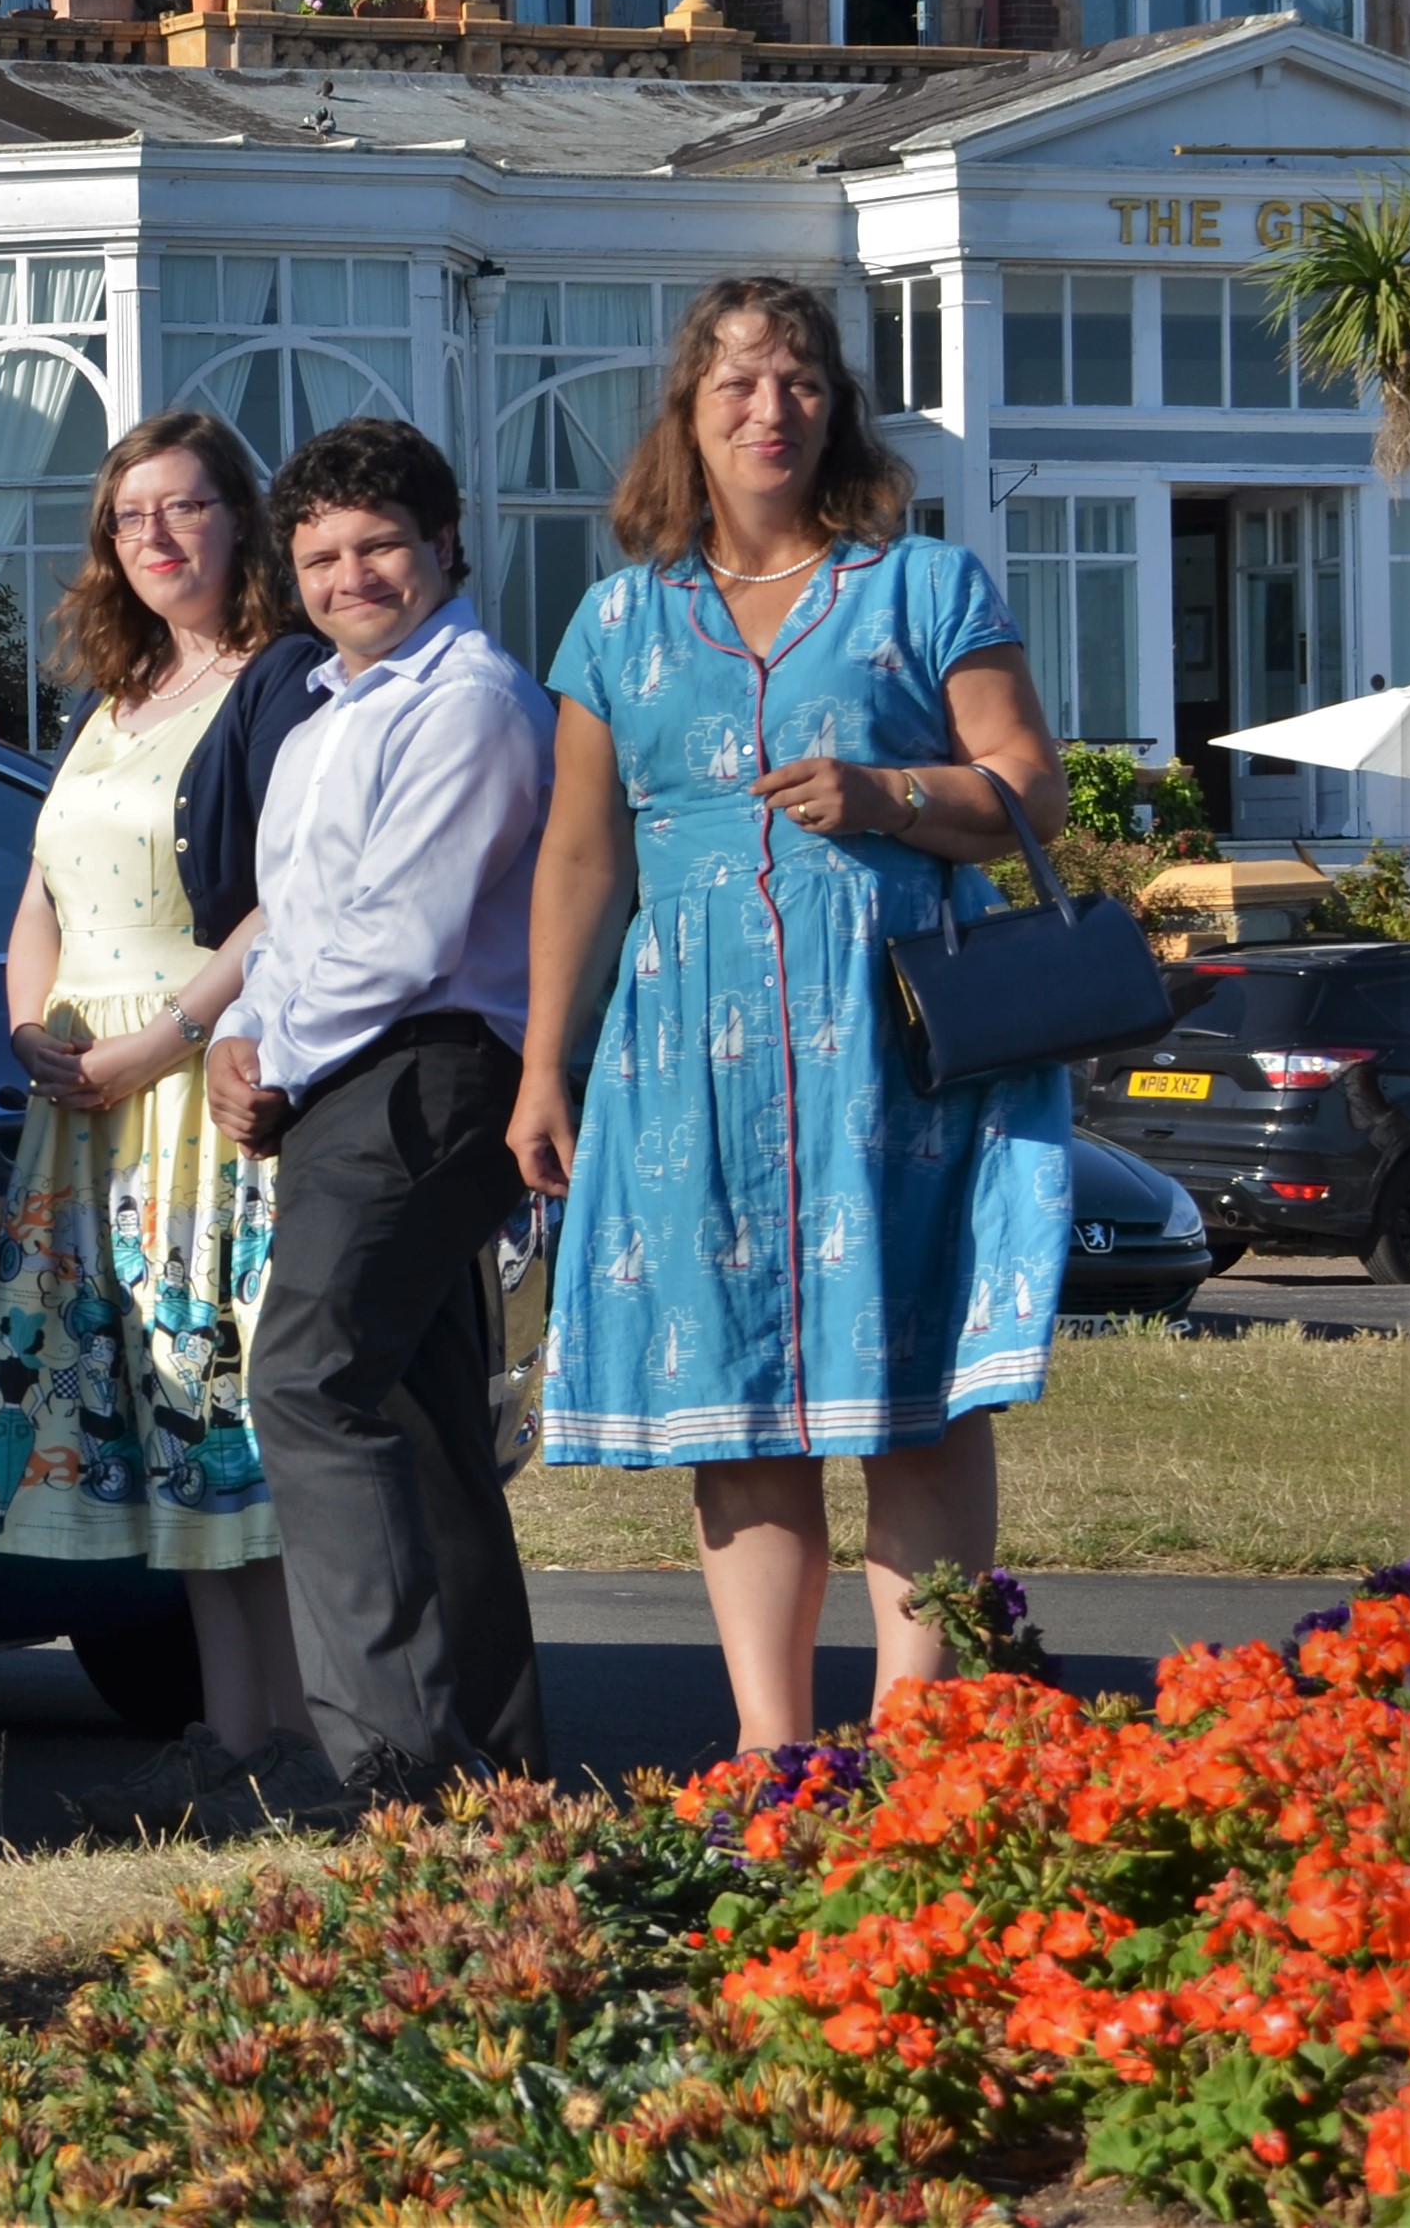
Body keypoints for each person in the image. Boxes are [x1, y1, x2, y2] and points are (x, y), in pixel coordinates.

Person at [508, 276, 1069, 1753]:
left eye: (800, 381)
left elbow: (1033, 788)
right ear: (686, 414)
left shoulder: (922, 587)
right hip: (685, 1050)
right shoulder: (615, 619)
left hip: (893, 1040)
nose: (771, 409)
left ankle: (915, 1741)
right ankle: (772, 1754)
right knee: (734, 1397)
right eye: (737, 383)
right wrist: (542, 1065)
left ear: (837, 411)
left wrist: (889, 794)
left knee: (914, 1394)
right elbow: (579, 857)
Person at [0, 411, 332, 1836]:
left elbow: (283, 896)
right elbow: (40, 895)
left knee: (229, 1413)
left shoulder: (278, 678)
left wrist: (155, 1043)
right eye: (129, 517)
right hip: (91, 1103)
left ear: (238, 520)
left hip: (193, 1085)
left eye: (182, 508)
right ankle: (224, 1736)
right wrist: (30, 1030)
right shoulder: (116, 697)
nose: (155, 536)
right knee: (163, 1411)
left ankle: (298, 1739)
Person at [204, 416, 553, 1811]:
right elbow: (293, 923)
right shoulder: (323, 714)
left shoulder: (467, 702)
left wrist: (273, 1057)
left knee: (306, 1383)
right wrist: (236, 1035)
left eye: (379, 547)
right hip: (339, 1072)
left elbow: (402, 936)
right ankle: (496, 1774)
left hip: (424, 1071)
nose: (349, 578)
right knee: (412, 1413)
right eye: (320, 558)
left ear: (444, 545)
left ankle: (395, 1771)